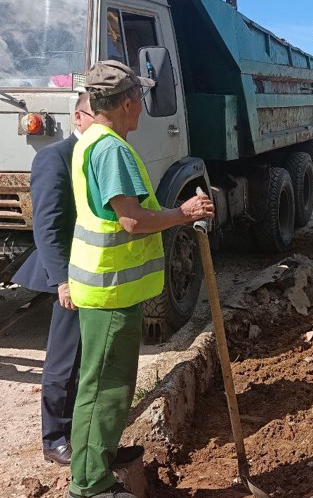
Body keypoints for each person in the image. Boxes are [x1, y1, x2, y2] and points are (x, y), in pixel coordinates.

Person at [67, 60, 213, 498]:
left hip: (111, 287)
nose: (142, 109)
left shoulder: (92, 139)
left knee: (112, 381)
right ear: (130, 103)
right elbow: (131, 221)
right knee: (104, 387)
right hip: (110, 289)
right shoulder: (110, 149)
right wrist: (183, 213)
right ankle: (89, 484)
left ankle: (104, 455)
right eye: (140, 101)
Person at [13, 94, 94, 466]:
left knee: (90, 359)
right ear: (79, 117)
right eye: (99, 114)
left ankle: (86, 435)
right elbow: (46, 226)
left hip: (98, 275)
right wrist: (62, 279)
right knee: (65, 358)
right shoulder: (54, 157)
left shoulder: (101, 154)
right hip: (71, 278)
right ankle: (55, 438)